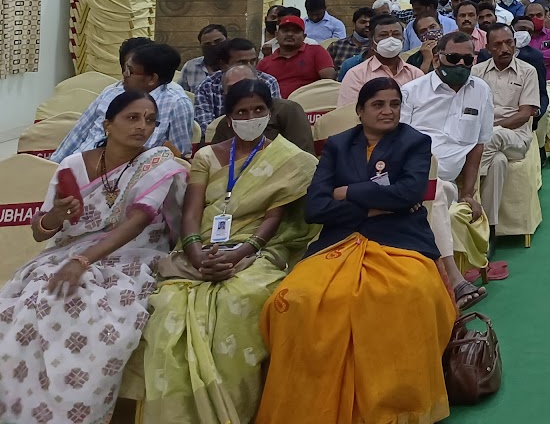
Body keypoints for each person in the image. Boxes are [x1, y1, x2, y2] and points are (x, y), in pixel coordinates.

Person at [256, 77, 456, 424]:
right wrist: (374, 207)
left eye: (394, 104)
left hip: (400, 237)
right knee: (294, 298)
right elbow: (315, 208)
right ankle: (312, 402)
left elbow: (409, 194)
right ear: (360, 111)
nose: (388, 111)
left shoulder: (415, 142)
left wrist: (347, 192)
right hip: (339, 239)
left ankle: (391, 404)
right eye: (378, 104)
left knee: (402, 293)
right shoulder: (338, 145)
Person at [0, 90, 187, 424]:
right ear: (107, 124)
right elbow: (41, 231)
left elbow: (138, 221)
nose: (142, 126)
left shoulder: (157, 164)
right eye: (132, 118)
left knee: (92, 313)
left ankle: (69, 410)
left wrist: (82, 262)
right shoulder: (73, 166)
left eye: (150, 120)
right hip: (66, 253)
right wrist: (57, 215)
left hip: (133, 256)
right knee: (26, 303)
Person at [142, 78, 318, 424]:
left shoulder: (290, 160)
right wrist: (196, 255)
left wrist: (240, 254)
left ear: (269, 113)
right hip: (200, 247)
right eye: (242, 112)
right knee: (167, 310)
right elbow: (191, 212)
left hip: (255, 250)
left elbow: (274, 217)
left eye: (258, 110)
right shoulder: (207, 156)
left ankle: (235, 410)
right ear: (228, 117)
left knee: (241, 300)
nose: (250, 117)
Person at [401, 32, 495, 304]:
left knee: (441, 191)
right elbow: (397, 145)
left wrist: (468, 193)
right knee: (436, 193)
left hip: (449, 182)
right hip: (412, 177)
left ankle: (445, 288)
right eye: (453, 58)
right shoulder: (412, 92)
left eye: (468, 59)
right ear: (437, 58)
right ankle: (453, 282)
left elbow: (477, 146)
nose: (461, 65)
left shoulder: (481, 91)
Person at [52, 40, 195, 160]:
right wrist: (55, 166)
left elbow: (178, 157)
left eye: (130, 71)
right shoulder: (112, 91)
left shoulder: (176, 104)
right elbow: (78, 133)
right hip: (82, 165)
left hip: (132, 175)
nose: (124, 75)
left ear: (152, 78)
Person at [473, 21, 544, 227]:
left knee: (494, 135)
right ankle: (489, 226)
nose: (504, 49)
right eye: (497, 45)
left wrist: (491, 128)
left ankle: (468, 189)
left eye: (509, 42)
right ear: (488, 47)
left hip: (516, 137)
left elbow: (524, 114)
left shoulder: (527, 71)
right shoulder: (476, 72)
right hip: (484, 139)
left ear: (514, 43)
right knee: (498, 162)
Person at [210, 62, 316, 153]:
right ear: (225, 94)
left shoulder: (288, 111)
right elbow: (214, 160)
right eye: (234, 88)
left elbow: (303, 159)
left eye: (248, 84)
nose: (242, 91)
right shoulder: (225, 123)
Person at [337, 13, 423, 105]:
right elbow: (348, 111)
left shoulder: (415, 74)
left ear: (403, 39)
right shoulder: (356, 75)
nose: (390, 39)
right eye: (383, 35)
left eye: (396, 34)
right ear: (372, 40)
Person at [195, 38, 282, 127]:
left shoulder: (268, 82)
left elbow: (273, 121)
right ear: (223, 65)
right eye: (242, 62)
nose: (250, 66)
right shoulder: (207, 87)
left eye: (253, 61)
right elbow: (206, 126)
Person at [258, 10, 336, 97]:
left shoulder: (316, 52)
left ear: (304, 36)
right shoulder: (264, 63)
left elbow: (329, 81)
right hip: (276, 104)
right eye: (285, 31)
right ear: (276, 35)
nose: (290, 34)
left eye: (295, 31)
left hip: (310, 102)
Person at [179, 23, 228, 93]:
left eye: (218, 41)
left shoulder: (236, 65)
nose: (213, 46)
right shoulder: (190, 66)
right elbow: (181, 93)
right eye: (207, 44)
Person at [326, 3, 374, 70]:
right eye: (363, 22)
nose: (367, 25)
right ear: (354, 24)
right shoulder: (336, 46)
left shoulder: (376, 49)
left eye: (371, 23)